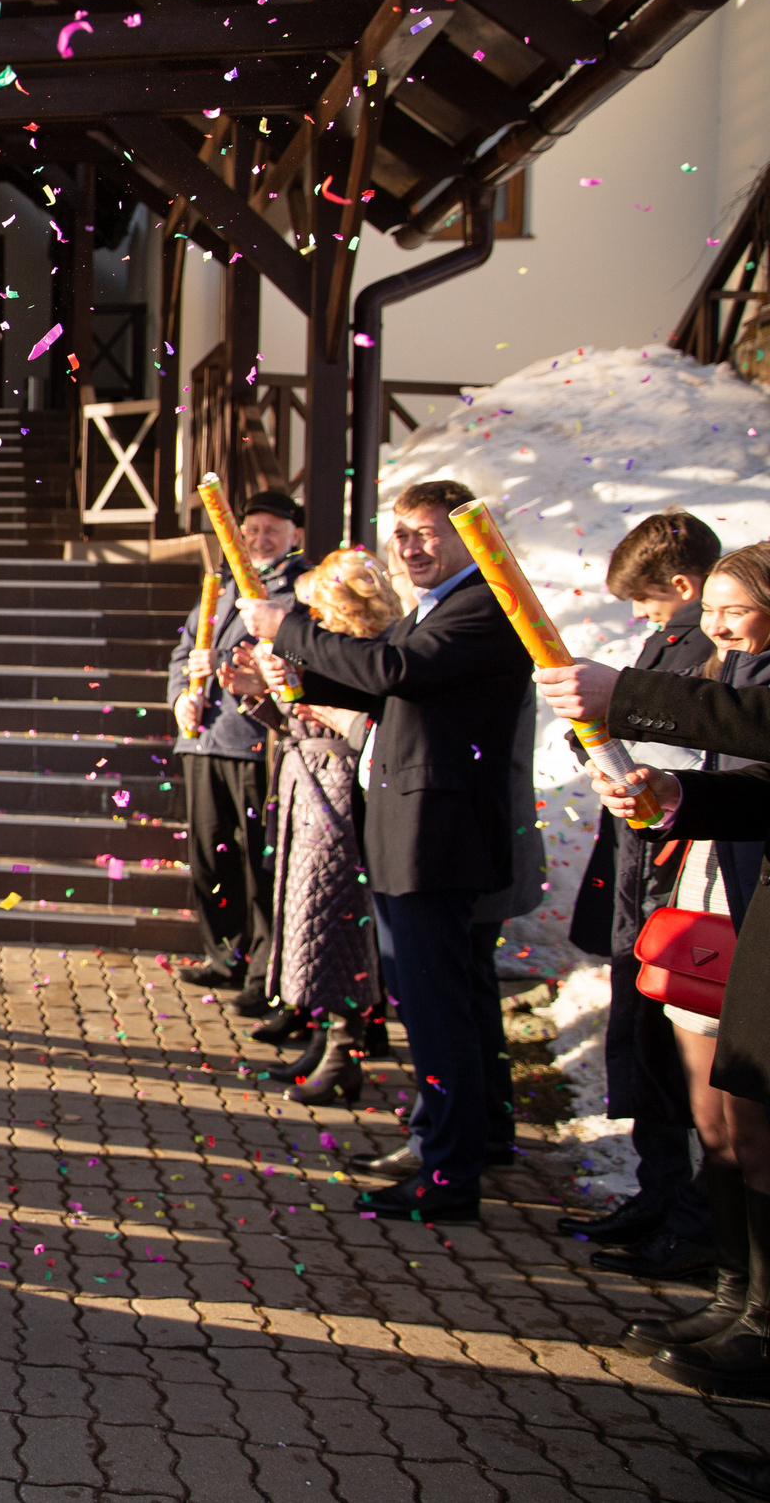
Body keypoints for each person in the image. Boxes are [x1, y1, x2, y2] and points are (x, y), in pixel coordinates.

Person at [240, 478, 533, 1223]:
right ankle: (446, 1144)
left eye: (427, 532)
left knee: (441, 1011)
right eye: (401, 533)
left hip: (440, 838)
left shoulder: (484, 606)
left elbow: (395, 671)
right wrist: (298, 675)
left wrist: (289, 628)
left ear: (472, 536)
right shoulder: (438, 608)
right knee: (438, 1008)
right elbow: (387, 693)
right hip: (412, 832)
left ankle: (451, 1173)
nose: (410, 548)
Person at [570, 510, 721, 1277]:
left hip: (672, 858)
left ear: (684, 586)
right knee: (644, 1031)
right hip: (639, 853)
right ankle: (658, 1190)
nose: (640, 617)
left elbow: (690, 743)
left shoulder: (707, 645)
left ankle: (687, 1211)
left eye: (649, 601)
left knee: (666, 1039)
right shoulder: (673, 637)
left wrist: (611, 717)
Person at [239, 549, 397, 1107]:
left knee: (338, 924)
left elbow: (368, 726)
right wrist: (258, 695)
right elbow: (297, 721)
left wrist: (317, 704)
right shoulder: (335, 651)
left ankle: (344, 1051)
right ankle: (325, 1037)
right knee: (310, 915)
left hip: (344, 797)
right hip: (309, 787)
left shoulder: (370, 653)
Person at [170, 490, 308, 1007]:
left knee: (260, 863)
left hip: (259, 743)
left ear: (295, 534)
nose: (259, 539)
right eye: (250, 531)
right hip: (204, 738)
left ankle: (264, 977)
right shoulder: (223, 586)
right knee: (209, 857)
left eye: (272, 529)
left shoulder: (301, 589)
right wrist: (183, 694)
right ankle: (224, 955)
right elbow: (184, 651)